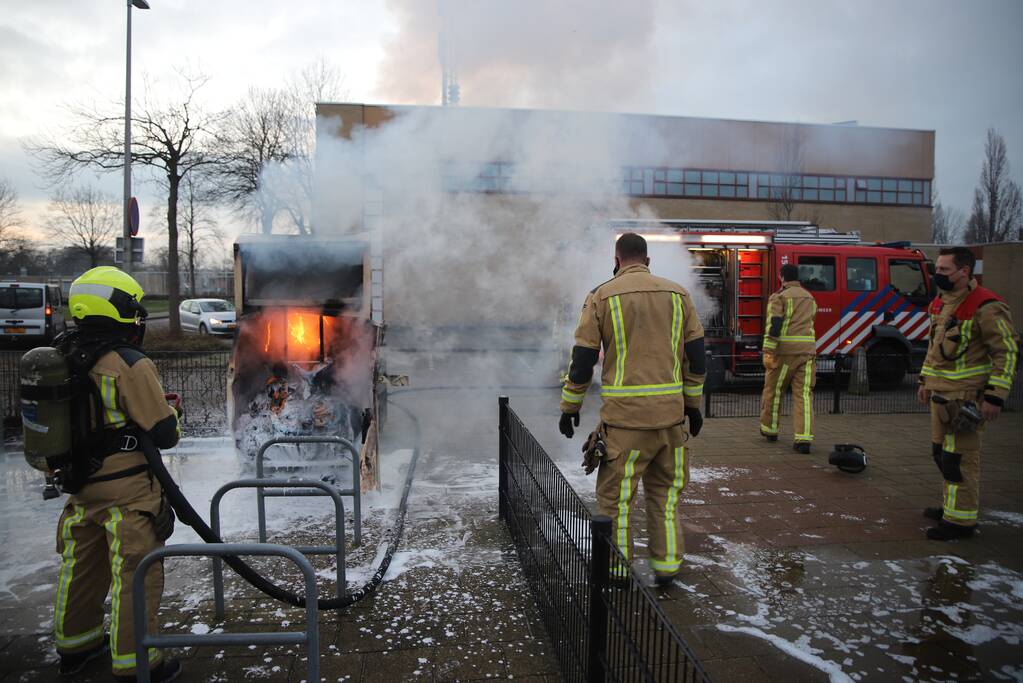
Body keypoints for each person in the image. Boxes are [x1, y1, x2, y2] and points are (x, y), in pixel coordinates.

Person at [51, 267, 182, 681]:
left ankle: (76, 647)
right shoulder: (128, 363)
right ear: (120, 309)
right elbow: (163, 432)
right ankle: (136, 661)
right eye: (134, 308)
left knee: (81, 566)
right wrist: (174, 413)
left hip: (79, 487)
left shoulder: (61, 356)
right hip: (127, 492)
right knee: (135, 573)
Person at [559, 233, 705, 587]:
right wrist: (693, 406)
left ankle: (617, 571)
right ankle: (668, 568)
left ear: (616, 258)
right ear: (648, 260)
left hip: (625, 424)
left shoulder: (601, 295)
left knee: (617, 502)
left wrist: (570, 405)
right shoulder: (678, 294)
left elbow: (582, 359)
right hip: (670, 422)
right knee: (665, 498)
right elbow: (697, 355)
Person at [918, 247, 1018, 541]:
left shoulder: (986, 306)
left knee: (959, 460)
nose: (939, 275)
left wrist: (995, 395)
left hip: (966, 399)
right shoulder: (941, 303)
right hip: (941, 395)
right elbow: (934, 348)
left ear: (964, 272)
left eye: (945, 270)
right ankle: (952, 507)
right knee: (942, 455)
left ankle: (961, 522)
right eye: (938, 269)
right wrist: (924, 380)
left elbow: (1007, 352)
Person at [759, 263, 818, 453]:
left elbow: (774, 325)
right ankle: (803, 439)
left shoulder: (779, 297)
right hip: (807, 353)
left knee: (774, 392)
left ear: (782, 277)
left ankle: (770, 430)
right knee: (804, 396)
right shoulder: (810, 297)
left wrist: (768, 350)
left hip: (784, 353)